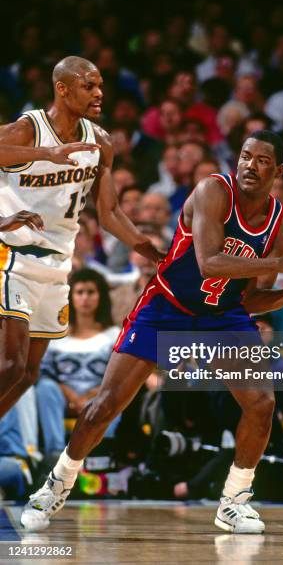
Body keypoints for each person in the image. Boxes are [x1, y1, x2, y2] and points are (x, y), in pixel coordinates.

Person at [21, 130, 283, 534]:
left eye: (263, 160)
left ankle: (234, 501)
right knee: (107, 404)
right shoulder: (212, 191)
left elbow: (249, 301)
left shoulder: (280, 228)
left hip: (221, 318)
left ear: (279, 170)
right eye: (246, 156)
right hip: (167, 306)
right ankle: (55, 485)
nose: (251, 165)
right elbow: (209, 264)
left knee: (262, 403)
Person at [0, 56, 162, 420]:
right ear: (63, 89)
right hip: (12, 257)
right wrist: (47, 154)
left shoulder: (100, 141)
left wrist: (155, 253)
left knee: (27, 376)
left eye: (100, 85)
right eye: (89, 86)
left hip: (57, 265)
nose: (99, 93)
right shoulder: (30, 129)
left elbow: (110, 214)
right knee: (9, 365)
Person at [36, 269, 120, 465]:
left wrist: (91, 397)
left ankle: (102, 453)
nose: (85, 298)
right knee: (44, 388)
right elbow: (45, 373)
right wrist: (73, 398)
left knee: (118, 393)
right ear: (70, 297)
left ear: (101, 296)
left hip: (100, 398)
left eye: (91, 292)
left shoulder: (114, 335)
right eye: (79, 292)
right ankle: (54, 453)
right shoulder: (56, 335)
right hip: (63, 399)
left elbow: (117, 378)